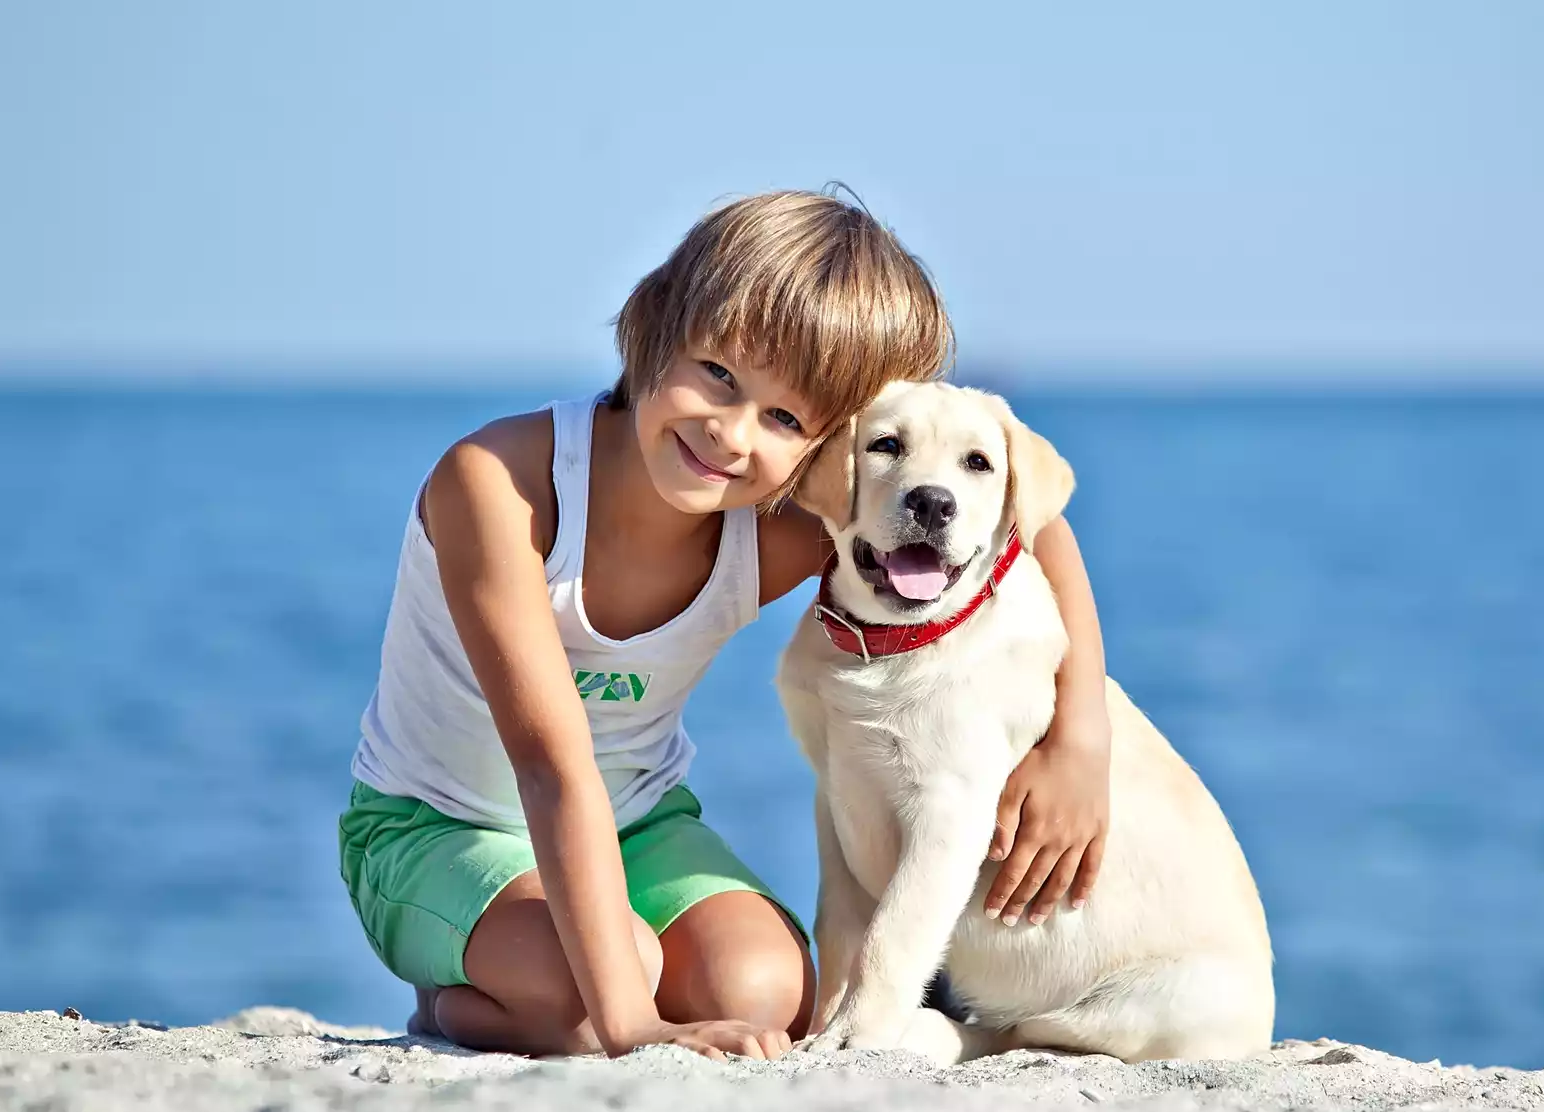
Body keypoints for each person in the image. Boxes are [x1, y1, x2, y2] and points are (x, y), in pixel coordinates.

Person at [336, 190, 1112, 1061]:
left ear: (830, 447)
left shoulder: (781, 528)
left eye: (786, 420)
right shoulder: (503, 484)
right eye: (717, 374)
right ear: (658, 322)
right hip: (438, 825)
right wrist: (636, 1029)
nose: (731, 434)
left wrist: (1080, 738)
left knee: (769, 993)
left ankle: (584, 968)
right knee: (592, 997)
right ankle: (453, 1004)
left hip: (640, 822)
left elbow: (1035, 530)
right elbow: (551, 769)